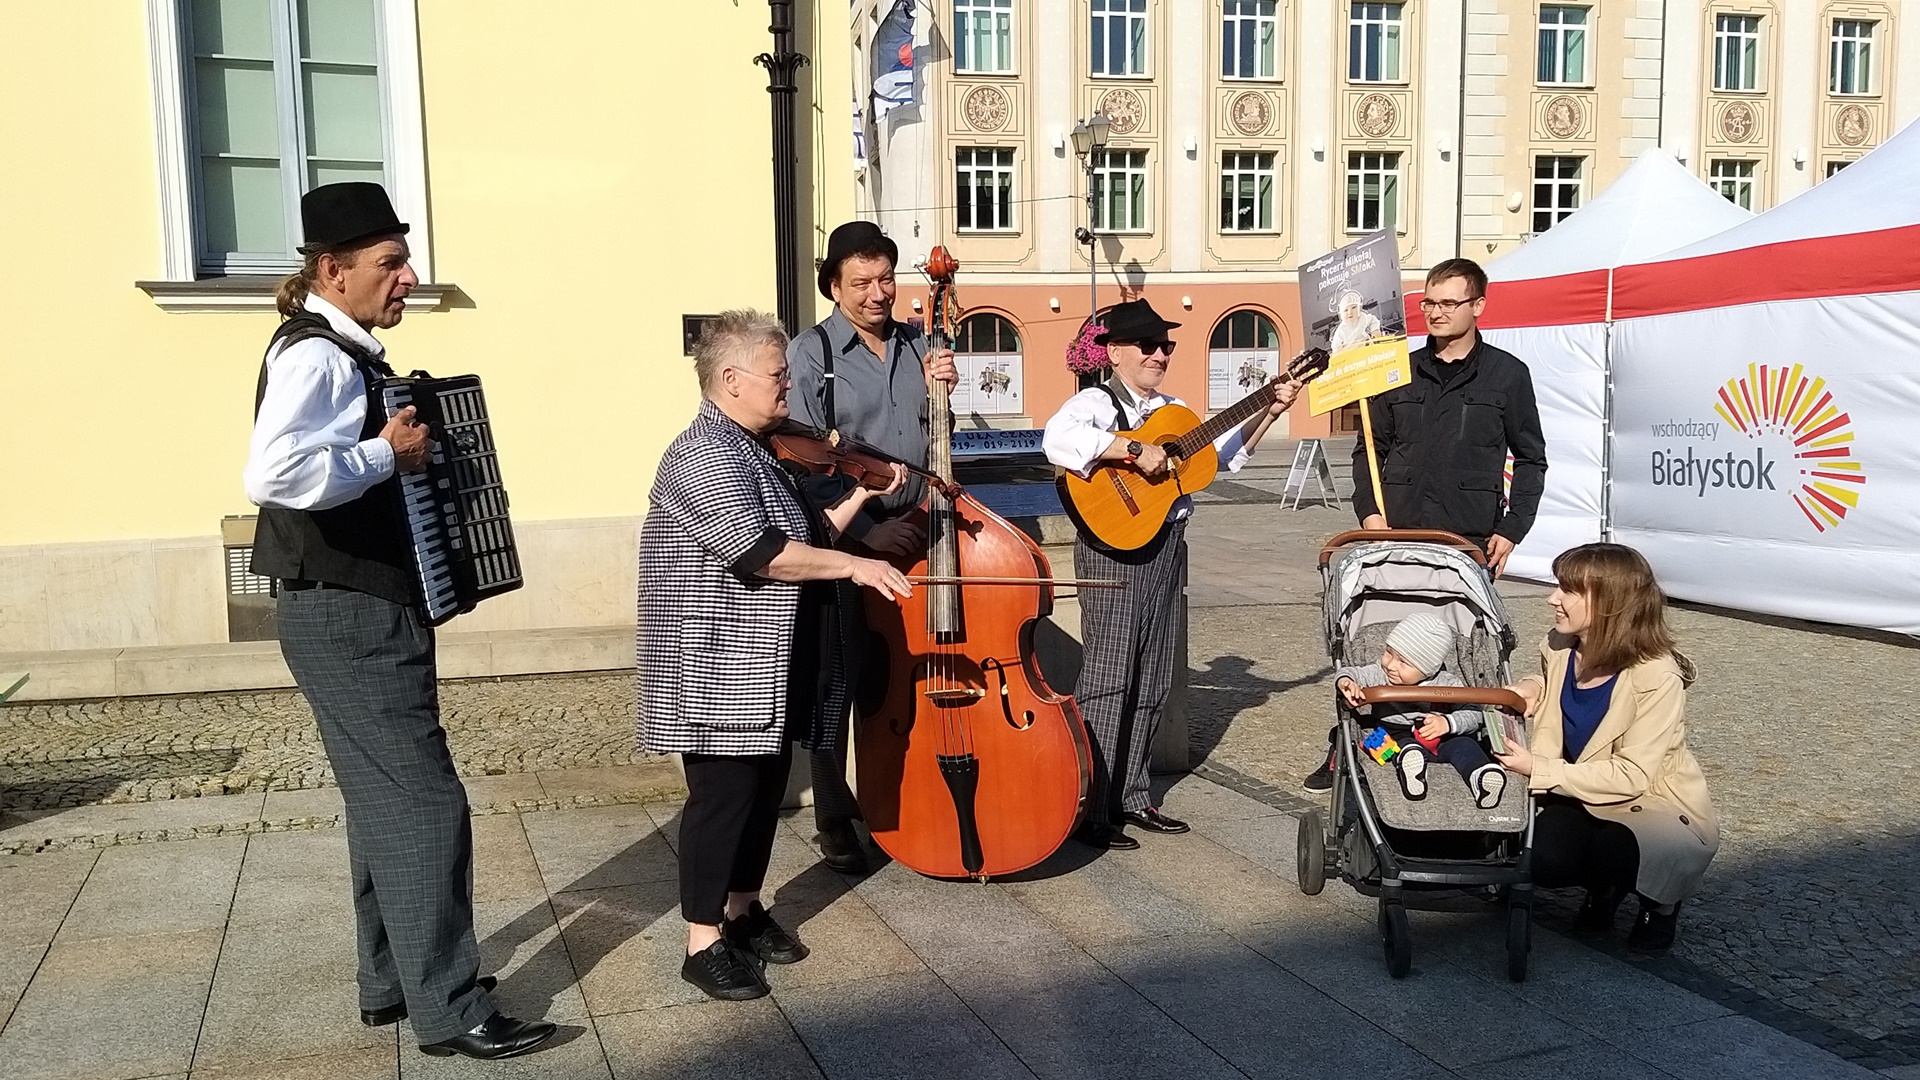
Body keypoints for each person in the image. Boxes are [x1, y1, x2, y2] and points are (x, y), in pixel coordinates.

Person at [242, 182, 555, 1061]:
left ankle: (393, 982)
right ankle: (451, 1009)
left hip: (354, 606)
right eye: (390, 264)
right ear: (333, 271)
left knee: (383, 803)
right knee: (425, 805)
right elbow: (273, 475)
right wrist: (390, 454)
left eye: (405, 260)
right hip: (348, 612)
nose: (408, 277)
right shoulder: (317, 357)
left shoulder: (347, 350)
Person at [638, 310, 913, 1000]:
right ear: (730, 380)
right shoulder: (704, 454)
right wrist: (855, 570)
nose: (789, 386)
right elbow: (764, 554)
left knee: (763, 793)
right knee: (722, 799)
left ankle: (742, 910)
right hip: (717, 661)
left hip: (762, 659)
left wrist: (861, 492)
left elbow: (809, 530)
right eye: (777, 374)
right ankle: (701, 942)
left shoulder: (755, 447)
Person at [1043, 298, 1300, 849]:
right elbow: (1058, 440)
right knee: (1110, 677)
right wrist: (1133, 450)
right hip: (1113, 548)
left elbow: (1223, 456)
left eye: (1167, 346)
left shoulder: (1175, 409)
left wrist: (1270, 411)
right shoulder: (1095, 401)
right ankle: (1090, 804)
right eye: (1149, 345)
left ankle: (1131, 796)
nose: (1160, 354)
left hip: (1165, 544)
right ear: (1115, 353)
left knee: (1155, 676)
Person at [1305, 258, 1548, 792]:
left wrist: (1512, 529)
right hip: (1394, 538)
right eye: (1428, 303)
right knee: (1381, 649)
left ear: (1478, 306)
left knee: (1459, 652)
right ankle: (1358, 744)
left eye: (1447, 303)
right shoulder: (1398, 371)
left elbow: (1532, 460)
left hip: (1466, 542)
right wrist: (1369, 513)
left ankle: (1457, 742)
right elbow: (1370, 448)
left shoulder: (1508, 376)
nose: (1435, 313)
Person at [786, 221, 957, 873]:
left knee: (913, 667)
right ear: (834, 285)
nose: (878, 293)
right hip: (847, 532)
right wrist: (863, 534)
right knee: (841, 675)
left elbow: (934, 436)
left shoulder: (919, 346)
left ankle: (910, 788)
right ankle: (834, 813)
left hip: (918, 526)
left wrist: (945, 389)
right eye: (861, 282)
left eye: (886, 277)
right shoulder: (814, 353)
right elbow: (801, 455)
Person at [1492, 543, 1718, 953]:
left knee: (1620, 851)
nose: (1552, 598)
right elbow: (1559, 687)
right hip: (1579, 787)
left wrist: (1536, 767)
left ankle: (1661, 904)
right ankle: (1604, 889)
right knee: (1540, 858)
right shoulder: (1562, 644)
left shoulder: (1657, 676)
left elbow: (1633, 776)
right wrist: (1532, 688)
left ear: (1610, 603)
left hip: (1651, 799)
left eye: (1568, 590)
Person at [1334, 612, 1507, 809]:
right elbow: (1351, 672)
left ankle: (1481, 775)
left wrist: (1449, 723)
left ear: (1428, 669)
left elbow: (1474, 712)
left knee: (1465, 746)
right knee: (1389, 743)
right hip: (1394, 733)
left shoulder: (1447, 683)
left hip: (1442, 740)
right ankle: (1410, 765)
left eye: (1403, 662)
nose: (1390, 665)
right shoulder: (1379, 674)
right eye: (1389, 652)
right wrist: (1346, 681)